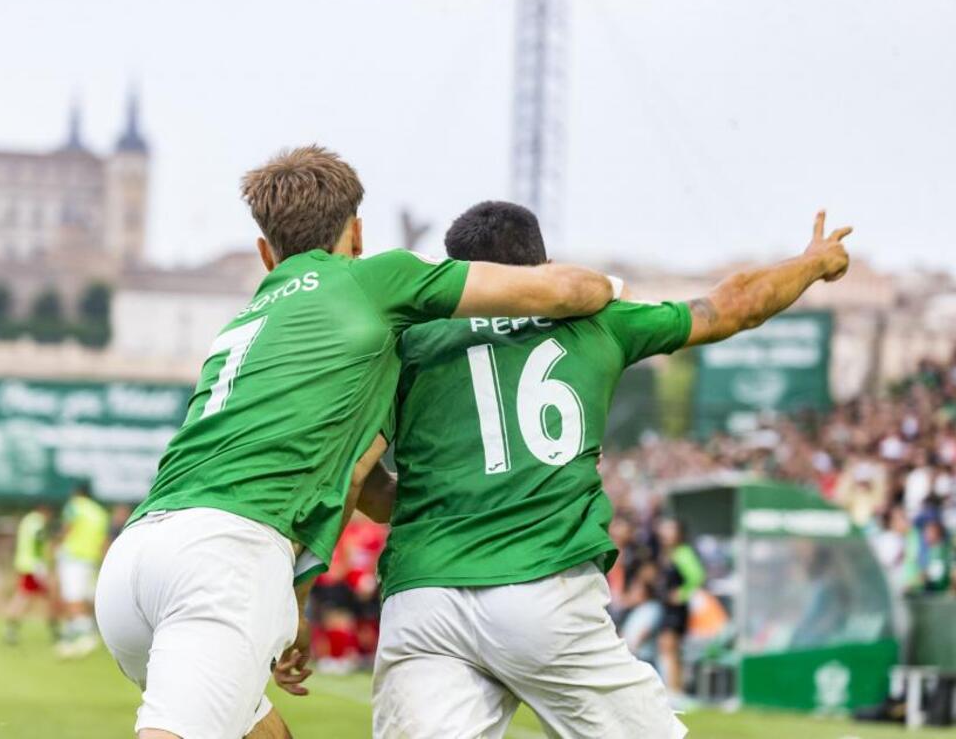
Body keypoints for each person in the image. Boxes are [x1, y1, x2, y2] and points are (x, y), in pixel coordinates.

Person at [93, 145, 618, 739]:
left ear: (267, 254)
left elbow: (355, 472)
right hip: (224, 555)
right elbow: (561, 292)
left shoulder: (252, 319)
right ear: (359, 233)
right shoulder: (373, 280)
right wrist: (611, 288)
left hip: (135, 556)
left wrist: (293, 598)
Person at [365, 203, 852, 738]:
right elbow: (731, 306)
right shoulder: (596, 321)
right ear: (545, 264)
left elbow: (360, 475)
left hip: (422, 599)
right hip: (542, 587)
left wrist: (436, 496)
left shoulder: (409, 341)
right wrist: (813, 262)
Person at [55, 483, 109, 659]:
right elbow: (103, 540)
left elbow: (67, 528)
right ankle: (73, 636)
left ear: (77, 493)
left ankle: (86, 637)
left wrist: (55, 545)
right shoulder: (100, 512)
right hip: (91, 559)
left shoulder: (75, 506)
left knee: (73, 598)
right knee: (86, 598)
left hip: (73, 557)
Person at [655, 516, 705, 697]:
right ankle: (672, 687)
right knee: (666, 647)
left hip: (676, 611)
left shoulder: (683, 552)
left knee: (671, 647)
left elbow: (697, 576)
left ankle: (676, 691)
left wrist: (682, 593)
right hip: (667, 608)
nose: (665, 533)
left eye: (670, 530)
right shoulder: (667, 553)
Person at [4, 503, 57, 645]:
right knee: (25, 597)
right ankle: (54, 630)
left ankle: (54, 629)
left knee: (37, 596)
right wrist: (44, 560)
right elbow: (39, 540)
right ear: (45, 511)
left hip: (25, 564)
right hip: (34, 566)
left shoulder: (27, 520)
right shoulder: (36, 522)